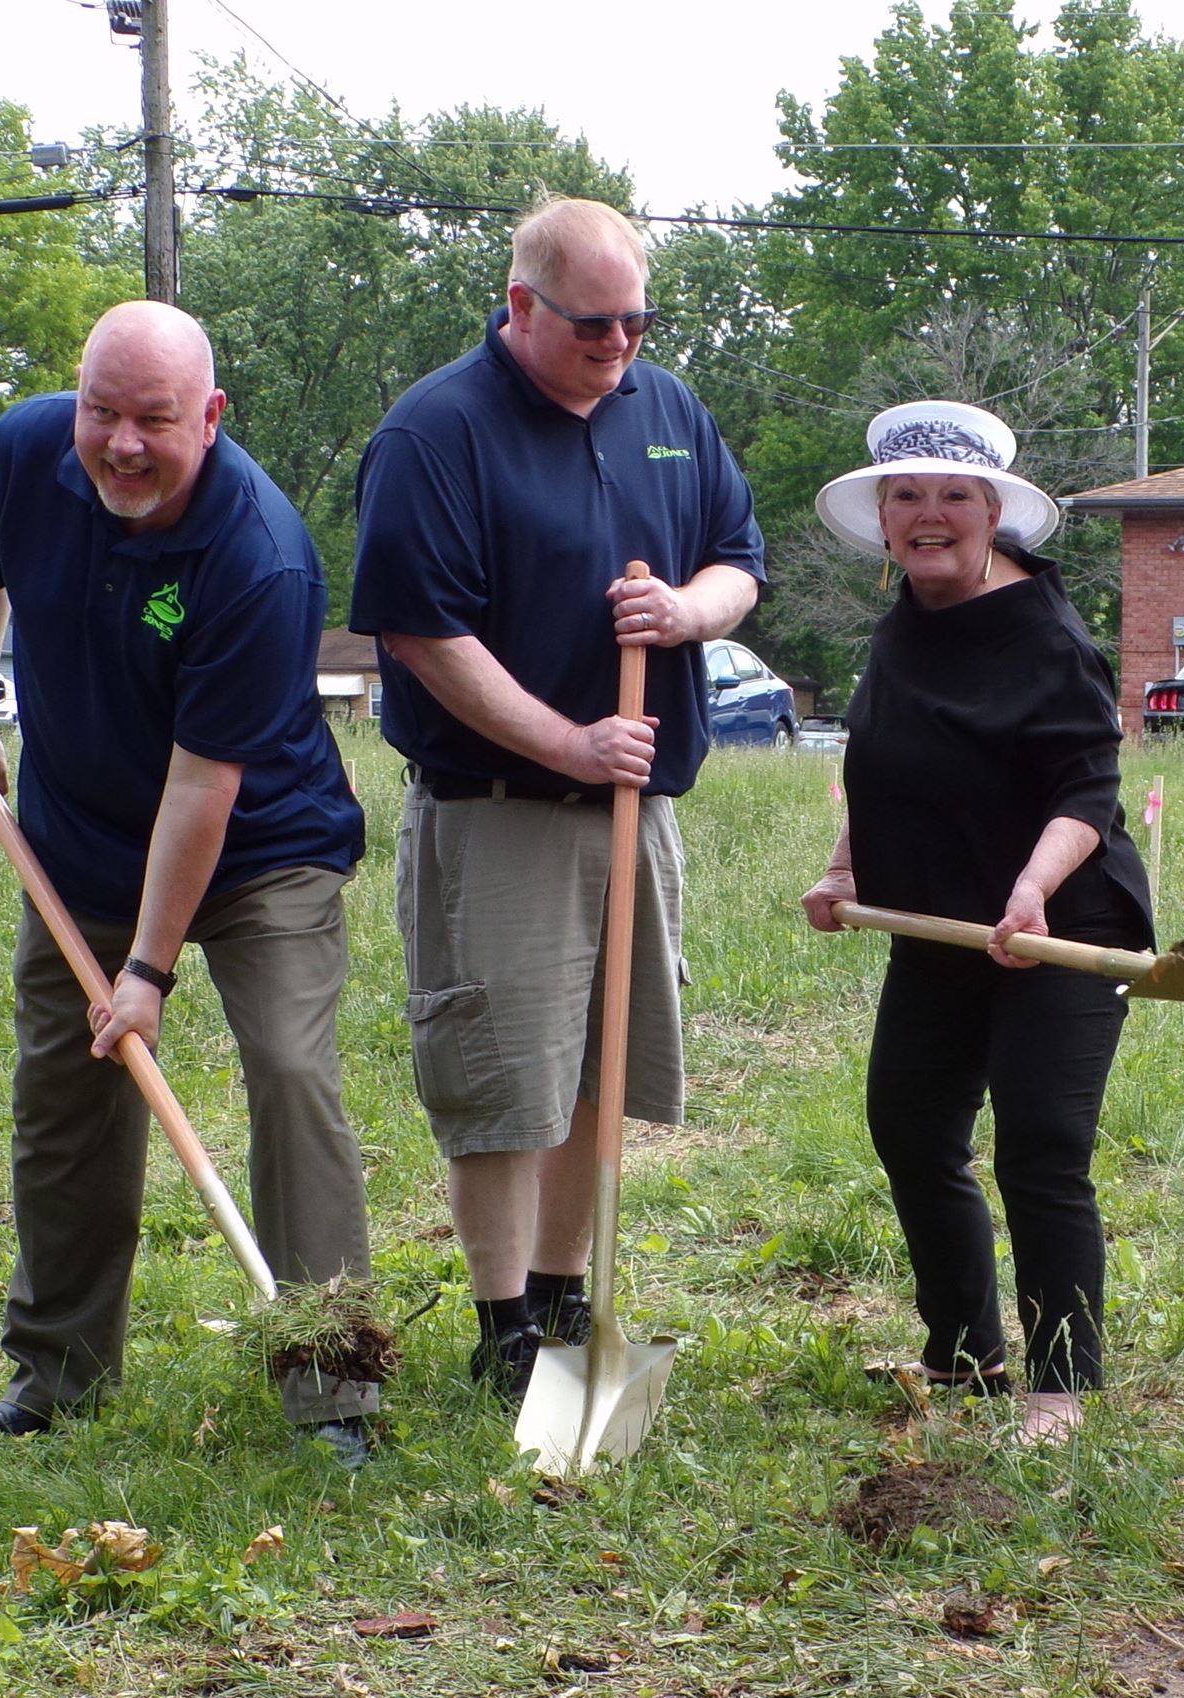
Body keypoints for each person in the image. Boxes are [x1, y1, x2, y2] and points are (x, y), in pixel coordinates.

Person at [0, 300, 376, 1466]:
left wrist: (146, 972)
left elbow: (202, 786)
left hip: (260, 846)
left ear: (213, 418)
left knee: (287, 1069)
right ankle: (55, 1375)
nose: (122, 444)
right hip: (78, 842)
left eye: (156, 421)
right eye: (102, 412)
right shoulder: (24, 454)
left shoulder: (259, 556)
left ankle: (332, 1385)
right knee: (66, 1098)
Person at [348, 197, 764, 1403]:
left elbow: (740, 560)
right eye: (594, 324)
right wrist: (566, 743)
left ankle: (564, 1296)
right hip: (501, 810)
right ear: (521, 305)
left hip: (641, 809)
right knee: (502, 1075)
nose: (621, 344)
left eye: (637, 319)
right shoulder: (437, 432)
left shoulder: (667, 408)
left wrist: (690, 611)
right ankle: (500, 1326)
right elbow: (425, 634)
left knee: (601, 1066)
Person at [800, 402, 1153, 1445]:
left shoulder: (1047, 636)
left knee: (1038, 1148)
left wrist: (1031, 889)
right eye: (904, 495)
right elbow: (885, 765)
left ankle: (1058, 1386)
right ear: (880, 516)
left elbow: (1085, 790)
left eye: (952, 495)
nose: (926, 515)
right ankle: (962, 1355)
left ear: (992, 511)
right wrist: (841, 865)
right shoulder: (904, 621)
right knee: (910, 1129)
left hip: (1057, 923)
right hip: (938, 924)